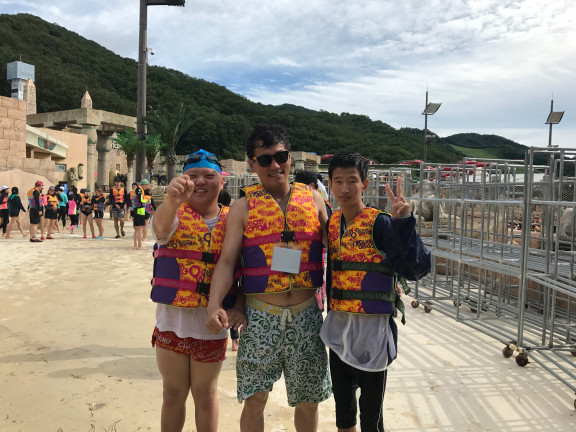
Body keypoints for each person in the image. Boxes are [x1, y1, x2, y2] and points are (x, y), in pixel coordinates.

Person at [206, 124, 332, 432]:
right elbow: (227, 261)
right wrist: (214, 305)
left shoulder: (314, 199)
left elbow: (339, 247)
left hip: (306, 315)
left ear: (290, 158)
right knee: (255, 398)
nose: (275, 165)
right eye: (265, 160)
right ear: (252, 165)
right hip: (261, 316)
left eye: (281, 157)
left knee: (309, 399)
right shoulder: (242, 207)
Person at [320, 150, 431, 432]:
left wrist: (404, 224)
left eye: (352, 181)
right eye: (338, 181)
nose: (345, 188)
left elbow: (415, 269)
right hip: (339, 332)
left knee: (371, 420)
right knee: (344, 416)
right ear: (330, 184)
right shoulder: (332, 224)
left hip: (372, 335)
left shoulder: (381, 223)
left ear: (364, 184)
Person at [150, 149, 240, 431]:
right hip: (171, 323)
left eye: (209, 176)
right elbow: (160, 230)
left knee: (206, 397)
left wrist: (239, 306)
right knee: (172, 394)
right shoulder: (173, 213)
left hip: (211, 326)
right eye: (192, 176)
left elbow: (243, 268)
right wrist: (172, 201)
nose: (200, 182)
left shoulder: (234, 220)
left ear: (222, 181)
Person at [132, 184, 146, 249]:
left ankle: (135, 245)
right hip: (140, 212)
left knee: (136, 229)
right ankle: (140, 245)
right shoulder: (139, 193)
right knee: (140, 229)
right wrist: (145, 200)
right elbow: (141, 200)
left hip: (135, 212)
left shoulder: (134, 196)